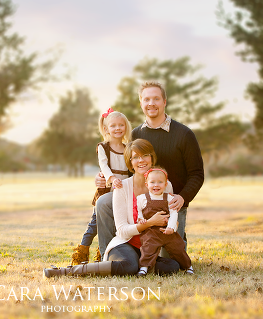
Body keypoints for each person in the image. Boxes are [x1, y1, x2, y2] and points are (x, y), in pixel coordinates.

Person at [95, 80, 204, 257]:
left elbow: (197, 174)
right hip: (137, 200)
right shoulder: (135, 135)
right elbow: (127, 167)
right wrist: (103, 177)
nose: (151, 103)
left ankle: (169, 242)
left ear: (164, 102)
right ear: (141, 103)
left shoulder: (184, 134)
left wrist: (183, 198)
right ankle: (110, 255)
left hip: (170, 203)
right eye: (146, 99)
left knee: (169, 262)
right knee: (103, 203)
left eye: (156, 99)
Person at [43, 139, 180, 278]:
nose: (141, 160)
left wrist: (172, 224)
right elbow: (122, 230)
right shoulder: (122, 187)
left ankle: (140, 265)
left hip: (149, 247)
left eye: (145, 155)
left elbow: (169, 217)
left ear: (151, 158)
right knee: (129, 265)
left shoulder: (165, 185)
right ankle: (66, 271)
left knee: (172, 266)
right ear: (130, 162)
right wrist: (150, 223)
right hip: (126, 243)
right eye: (136, 157)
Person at [71, 108, 132, 265]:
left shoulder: (128, 148)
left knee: (112, 223)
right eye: (113, 126)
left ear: (126, 127)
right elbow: (104, 166)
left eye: (121, 125)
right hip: (107, 189)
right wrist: (111, 178)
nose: (117, 128)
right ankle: (82, 251)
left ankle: (104, 253)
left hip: (123, 191)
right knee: (95, 222)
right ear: (106, 129)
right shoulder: (103, 147)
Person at [136, 167, 193, 276]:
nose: (156, 185)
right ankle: (144, 268)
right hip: (151, 231)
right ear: (147, 184)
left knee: (178, 247)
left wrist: (171, 227)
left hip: (167, 230)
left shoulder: (169, 198)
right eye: (152, 182)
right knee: (148, 248)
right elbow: (138, 210)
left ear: (166, 184)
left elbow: (173, 213)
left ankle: (188, 266)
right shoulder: (142, 198)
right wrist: (141, 219)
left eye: (160, 182)